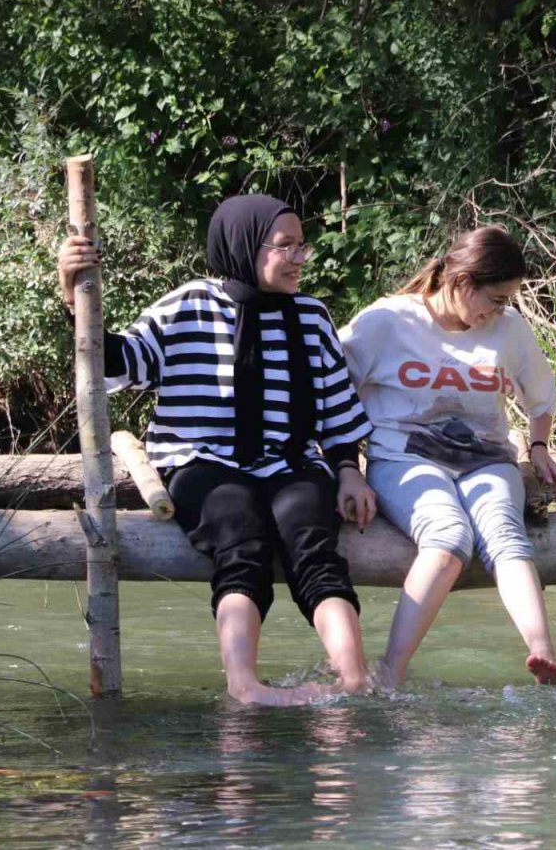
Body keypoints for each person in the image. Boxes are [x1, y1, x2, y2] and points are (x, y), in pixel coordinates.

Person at [57, 194, 377, 706]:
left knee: (312, 541)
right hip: (200, 459)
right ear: (244, 246)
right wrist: (75, 297)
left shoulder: (312, 317)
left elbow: (338, 414)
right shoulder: (188, 306)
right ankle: (245, 685)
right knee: (241, 535)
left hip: (291, 461)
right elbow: (116, 360)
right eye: (285, 246)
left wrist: (348, 472)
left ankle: (353, 680)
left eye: (302, 247)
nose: (299, 258)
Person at [340, 225, 556, 687]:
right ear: (463, 282)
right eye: (498, 298)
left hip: (487, 459)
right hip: (404, 458)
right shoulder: (387, 321)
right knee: (447, 539)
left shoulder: (509, 331)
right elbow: (332, 390)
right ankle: (389, 675)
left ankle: (541, 651)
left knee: (505, 531)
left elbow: (541, 397)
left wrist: (540, 446)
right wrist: (345, 467)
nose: (500, 309)